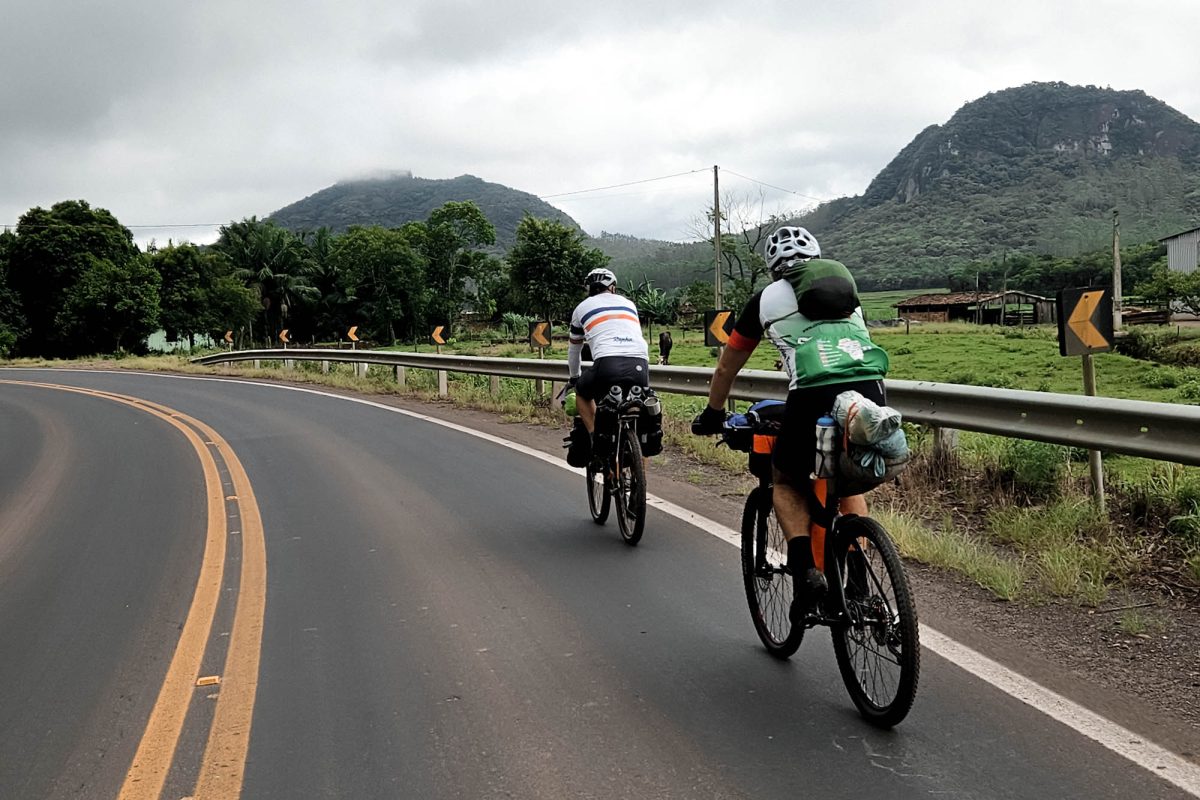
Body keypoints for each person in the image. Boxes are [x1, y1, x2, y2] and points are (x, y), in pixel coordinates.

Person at [690, 226, 889, 621]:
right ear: (817, 259)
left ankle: (806, 572)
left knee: (785, 479)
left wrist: (714, 413)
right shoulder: (846, 289)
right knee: (846, 476)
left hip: (812, 394)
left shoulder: (765, 299)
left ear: (773, 267)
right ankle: (860, 587)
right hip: (871, 392)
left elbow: (727, 366)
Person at [565, 268, 650, 464]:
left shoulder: (581, 308)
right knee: (639, 406)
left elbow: (574, 350)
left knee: (582, 394)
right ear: (612, 287)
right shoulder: (629, 304)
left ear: (590, 289)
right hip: (640, 363)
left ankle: (598, 440)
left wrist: (574, 378)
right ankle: (638, 477)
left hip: (606, 364)